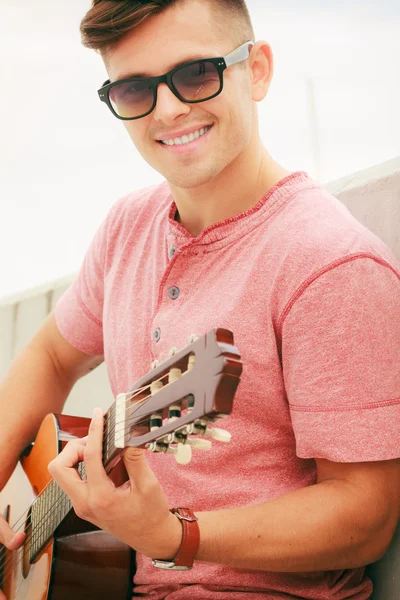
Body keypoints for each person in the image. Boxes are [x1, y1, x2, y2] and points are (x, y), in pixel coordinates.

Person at [1, 0, 400, 598]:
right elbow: (54, 356)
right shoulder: (127, 227)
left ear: (257, 69)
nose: (168, 109)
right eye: (136, 89)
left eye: (195, 74)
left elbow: (364, 517)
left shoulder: (330, 263)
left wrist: (173, 537)